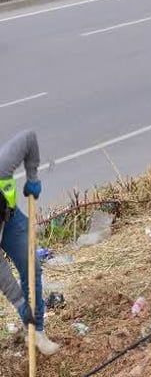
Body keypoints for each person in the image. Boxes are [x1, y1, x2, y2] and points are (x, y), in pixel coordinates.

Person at [0, 130, 61, 357]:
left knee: (30, 264)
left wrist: (32, 176)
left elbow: (29, 138)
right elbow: (1, 271)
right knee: (17, 295)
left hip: (10, 217)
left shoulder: (2, 163)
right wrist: (19, 303)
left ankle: (37, 332)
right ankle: (27, 320)